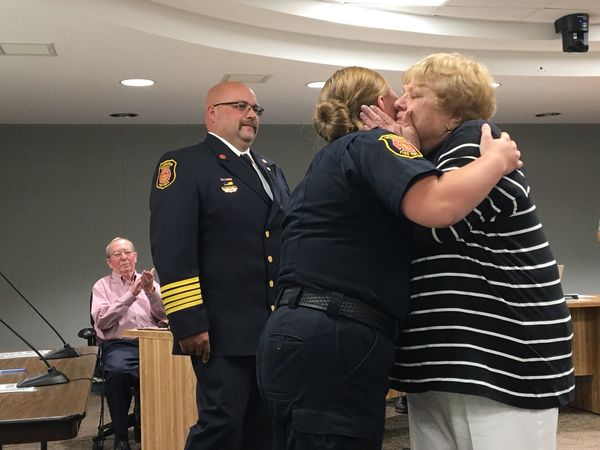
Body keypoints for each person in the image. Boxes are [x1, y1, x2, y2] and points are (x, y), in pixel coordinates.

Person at [256, 66, 522, 450]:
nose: (401, 103)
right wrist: (496, 160)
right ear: (377, 105)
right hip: (337, 335)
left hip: (293, 335)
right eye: (395, 96)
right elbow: (437, 203)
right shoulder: (372, 144)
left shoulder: (332, 159)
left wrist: (411, 153)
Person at [361, 53, 574, 449]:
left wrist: (399, 154)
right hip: (455, 360)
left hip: (500, 363)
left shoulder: (477, 142)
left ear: (454, 112)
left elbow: (436, 224)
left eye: (415, 94)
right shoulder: (438, 160)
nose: (400, 104)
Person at [149, 81, 290, 450]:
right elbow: (172, 247)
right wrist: (189, 320)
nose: (251, 116)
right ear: (212, 113)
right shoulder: (183, 164)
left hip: (272, 327)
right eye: (240, 106)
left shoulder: (270, 169)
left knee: (266, 428)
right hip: (221, 330)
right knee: (222, 426)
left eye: (256, 110)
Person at [91, 237, 166, 450]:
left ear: (135, 256)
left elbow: (165, 315)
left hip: (152, 342)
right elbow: (103, 321)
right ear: (109, 262)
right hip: (120, 345)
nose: (124, 257)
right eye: (117, 254)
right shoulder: (102, 286)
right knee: (117, 371)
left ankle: (164, 431)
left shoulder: (149, 281)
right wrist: (131, 295)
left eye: (127, 252)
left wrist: (151, 292)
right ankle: (121, 436)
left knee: (175, 368)